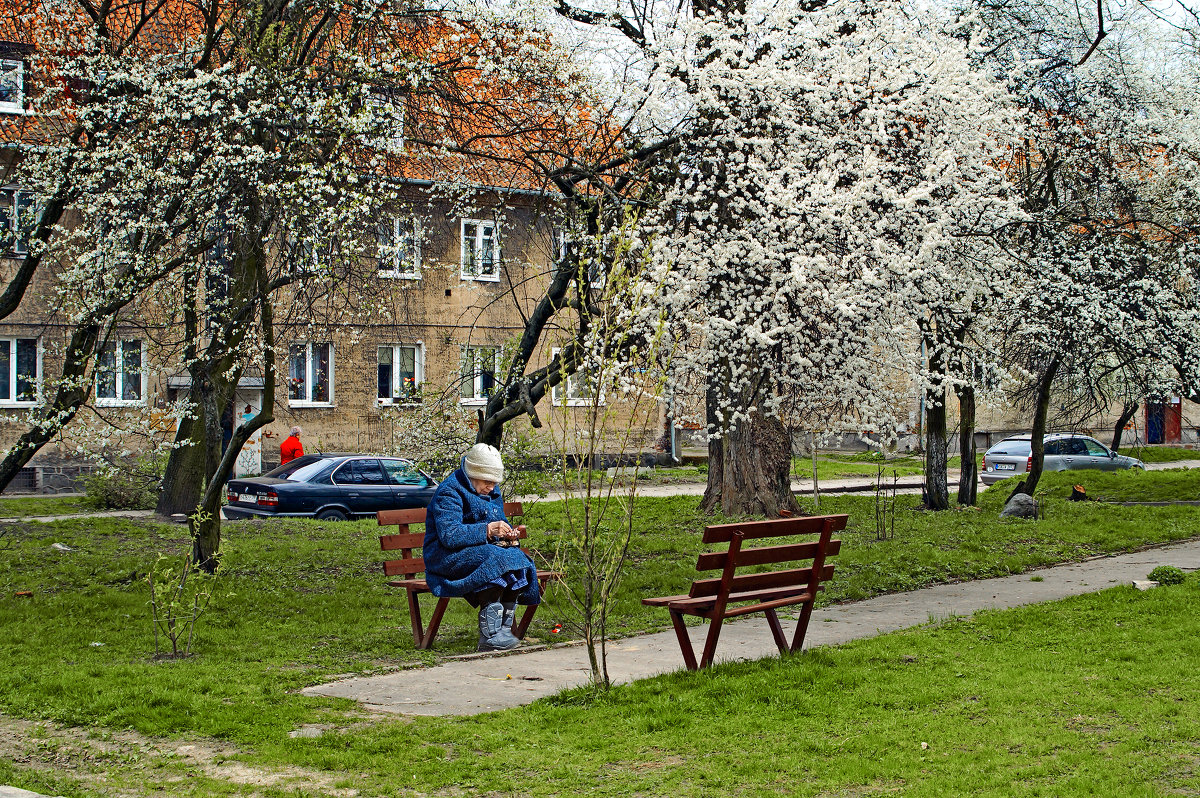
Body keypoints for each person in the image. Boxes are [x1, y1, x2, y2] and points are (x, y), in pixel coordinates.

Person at [423, 443, 539, 651]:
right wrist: (487, 531)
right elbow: (450, 535)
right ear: (473, 474)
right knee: (495, 559)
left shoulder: (491, 492)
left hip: (478, 553)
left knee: (518, 559)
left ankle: (502, 630)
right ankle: (490, 635)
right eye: (488, 481)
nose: (492, 487)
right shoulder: (449, 492)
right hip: (446, 558)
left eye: (495, 482)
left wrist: (508, 536)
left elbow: (498, 525)